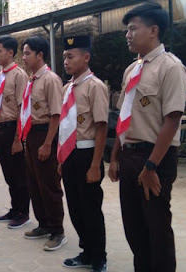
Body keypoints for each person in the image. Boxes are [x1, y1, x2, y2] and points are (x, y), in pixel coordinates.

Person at [108, 1, 186, 272]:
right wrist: (116, 158)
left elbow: (172, 119)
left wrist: (152, 165)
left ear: (153, 30)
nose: (128, 35)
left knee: (157, 227)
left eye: (133, 29)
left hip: (156, 157)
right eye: (127, 30)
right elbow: (124, 117)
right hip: (130, 155)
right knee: (134, 226)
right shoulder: (132, 70)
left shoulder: (171, 67)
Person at [57, 35, 108, 271]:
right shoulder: (67, 88)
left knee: (90, 208)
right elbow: (65, 125)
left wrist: (96, 164)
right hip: (69, 156)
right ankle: (86, 251)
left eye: (71, 56)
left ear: (86, 58)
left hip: (87, 156)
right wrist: (61, 158)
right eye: (64, 57)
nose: (65, 61)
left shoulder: (95, 87)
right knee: (75, 207)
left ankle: (99, 257)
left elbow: (101, 127)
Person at [19, 36, 66, 251]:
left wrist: (48, 144)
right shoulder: (32, 80)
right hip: (31, 135)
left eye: (28, 53)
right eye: (24, 53)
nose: (24, 57)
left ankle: (57, 230)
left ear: (40, 55)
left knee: (49, 184)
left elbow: (56, 115)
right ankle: (43, 224)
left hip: (45, 133)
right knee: (34, 183)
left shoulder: (50, 79)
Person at [0, 36, 31, 229]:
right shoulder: (1, 75)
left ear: (10, 52)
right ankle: (14, 208)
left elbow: (23, 108)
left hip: (12, 130)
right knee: (9, 174)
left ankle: (23, 212)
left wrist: (18, 139)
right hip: (1, 129)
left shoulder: (18, 75)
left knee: (18, 174)